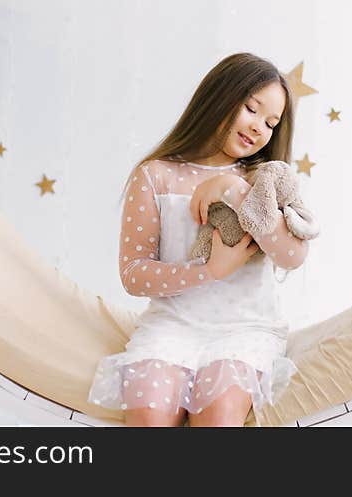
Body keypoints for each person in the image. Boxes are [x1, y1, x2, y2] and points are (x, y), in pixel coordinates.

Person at [87, 52, 311, 427]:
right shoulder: (156, 175)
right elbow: (134, 274)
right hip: (170, 330)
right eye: (251, 109)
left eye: (271, 123)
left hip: (244, 332)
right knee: (149, 412)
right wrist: (209, 271)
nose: (259, 127)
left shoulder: (264, 180)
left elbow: (292, 255)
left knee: (218, 414)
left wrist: (233, 189)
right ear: (218, 98)